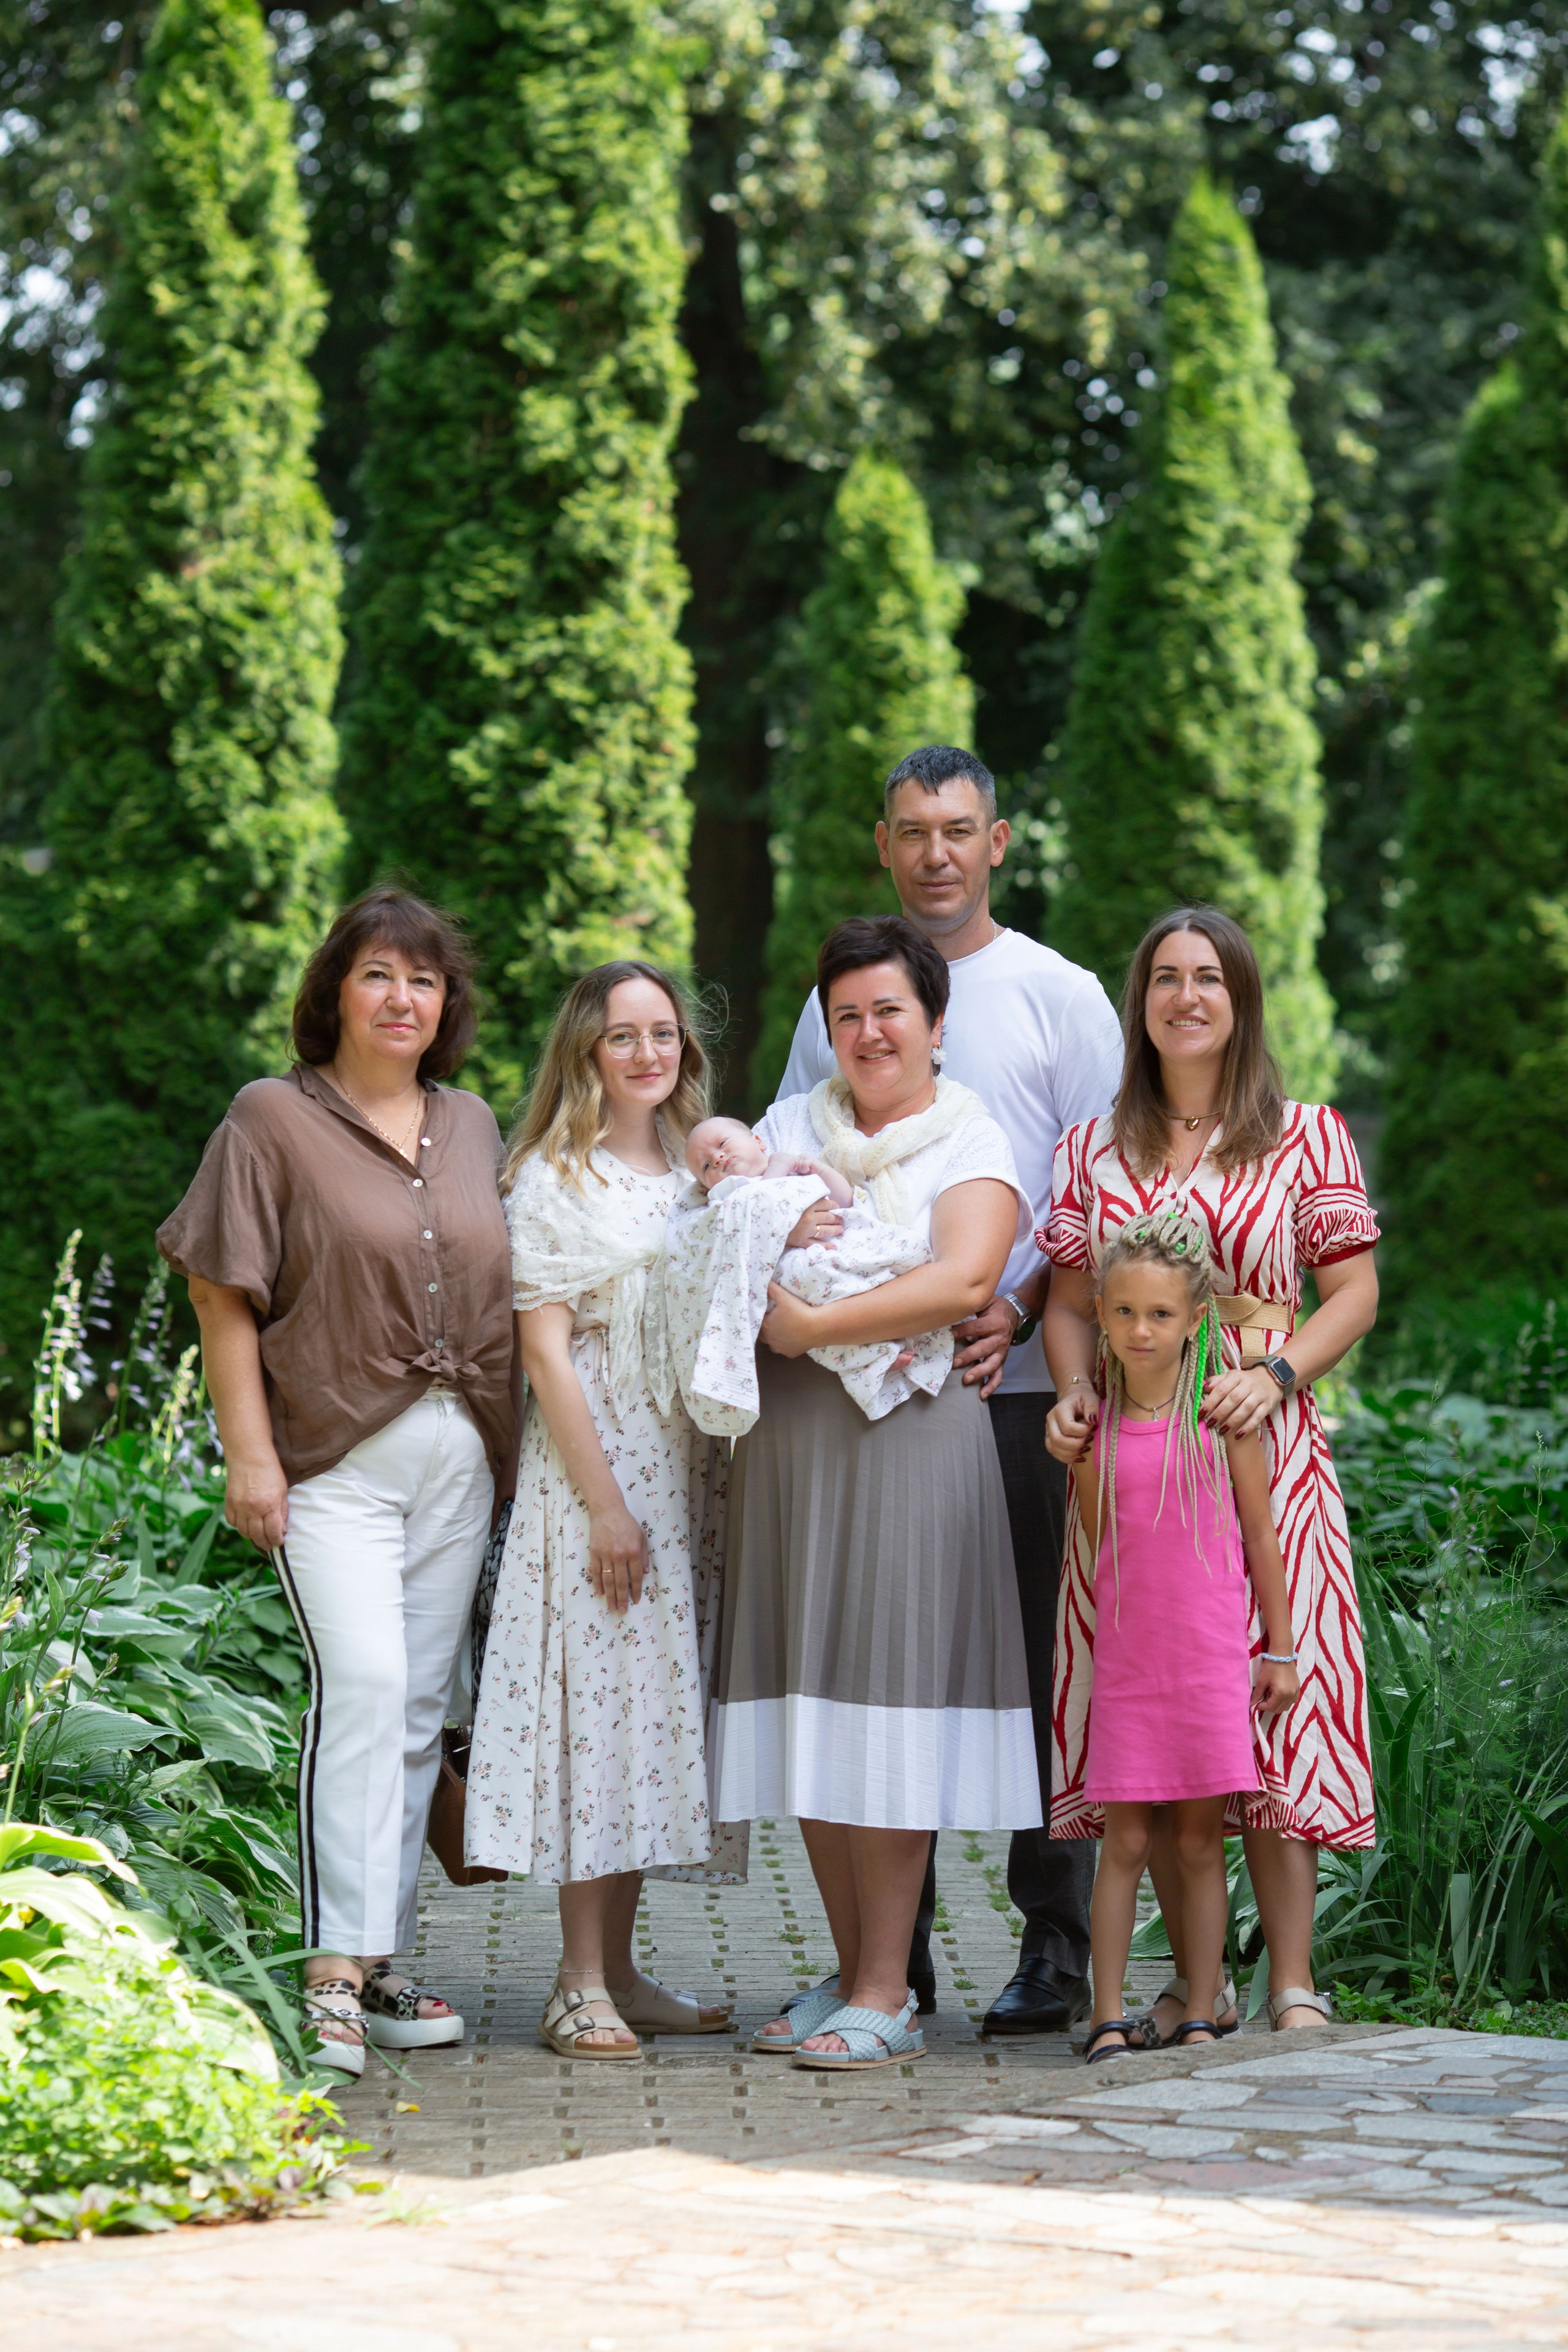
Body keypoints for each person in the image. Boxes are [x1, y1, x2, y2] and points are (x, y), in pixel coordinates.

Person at [775, 744, 1122, 2031]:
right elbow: (793, 1161)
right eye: (912, 829)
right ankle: (889, 1963)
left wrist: (1023, 1305)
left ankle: (1050, 1945)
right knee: (880, 1665)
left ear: (998, 841)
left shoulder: (1056, 994)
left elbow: (1100, 1182)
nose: (934, 850)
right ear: (883, 844)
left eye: (957, 829)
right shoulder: (836, 998)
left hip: (1032, 1382)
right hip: (877, 1394)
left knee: (1038, 1659)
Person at [157, 888, 516, 2075]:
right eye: (378, 974)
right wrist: (248, 1457)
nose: (402, 997)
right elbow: (222, 1294)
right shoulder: (270, 1117)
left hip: (457, 1457)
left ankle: (382, 1962)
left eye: (423, 979)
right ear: (335, 992)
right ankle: (325, 1973)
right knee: (360, 1685)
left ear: (445, 1002)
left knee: (418, 1708)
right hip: (330, 1460)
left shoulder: (469, 1122)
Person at [1044, 905, 1380, 2038]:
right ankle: (1197, 1988)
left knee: (1271, 1697)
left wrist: (1276, 1376)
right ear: (1141, 1003)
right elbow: (1064, 1304)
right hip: (1134, 1464)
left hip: (1262, 1446)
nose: (1186, 997)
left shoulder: (1306, 1135)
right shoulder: (1094, 1148)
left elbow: (1356, 1294)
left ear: (1240, 1000)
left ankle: (1291, 1980)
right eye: (1165, 980)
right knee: (1160, 1720)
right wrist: (1074, 1391)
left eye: (1209, 979)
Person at [715, 914, 1040, 2070]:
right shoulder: (785, 1127)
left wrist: (805, 1320)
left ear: (935, 1025)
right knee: (808, 1702)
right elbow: (714, 1238)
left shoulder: (975, 1139)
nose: (867, 1033)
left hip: (911, 1441)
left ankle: (886, 1990)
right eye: (847, 1014)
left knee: (890, 1703)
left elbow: (959, 1277)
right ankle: (855, 1973)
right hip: (795, 1446)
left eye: (889, 1011)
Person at [463, 962, 743, 2060]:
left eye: (663, 1033)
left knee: (645, 1719)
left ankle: (620, 1968)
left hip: (680, 1476)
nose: (645, 1054)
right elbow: (544, 1352)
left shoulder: (692, 1170)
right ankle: (575, 1982)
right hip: (599, 1476)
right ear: (584, 1052)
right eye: (621, 1036)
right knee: (594, 1718)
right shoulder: (551, 1177)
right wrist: (607, 1508)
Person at [1065, 1212, 1300, 2065]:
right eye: (1124, 1312)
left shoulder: (1222, 1419)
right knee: (1124, 1840)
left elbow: (1262, 1536)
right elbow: (1100, 1549)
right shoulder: (1093, 1433)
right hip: (1132, 1668)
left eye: (1160, 1314)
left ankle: (1202, 2008)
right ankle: (1105, 2013)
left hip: (1207, 1666)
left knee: (1201, 1841)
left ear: (1196, 1318)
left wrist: (1279, 1648)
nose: (1140, 1330)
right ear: (1100, 1311)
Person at [666, 1116, 950, 1426]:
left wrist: (819, 1170)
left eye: (722, 1145)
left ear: (758, 1142)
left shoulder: (798, 1169)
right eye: (706, 1167)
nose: (718, 1158)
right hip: (793, 1276)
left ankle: (896, 1319)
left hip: (837, 1247)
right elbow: (753, 1214)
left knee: (870, 1271)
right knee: (816, 1307)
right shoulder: (730, 1197)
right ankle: (874, 1356)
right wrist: (778, 1168)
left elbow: (843, 1198)